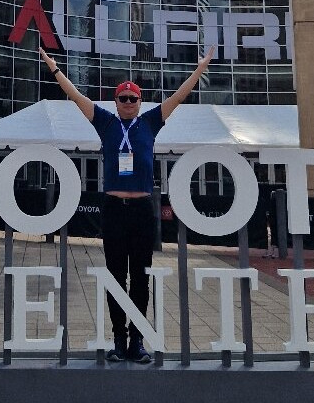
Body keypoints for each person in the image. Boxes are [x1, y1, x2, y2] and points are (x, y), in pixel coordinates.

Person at [39, 45, 216, 363]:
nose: (129, 103)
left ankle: (137, 341)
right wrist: (54, 69)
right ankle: (119, 341)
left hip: (142, 211)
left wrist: (201, 69)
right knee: (116, 276)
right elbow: (76, 96)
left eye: (134, 98)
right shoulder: (106, 122)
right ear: (116, 101)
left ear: (140, 101)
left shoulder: (150, 121)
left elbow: (178, 97)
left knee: (141, 276)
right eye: (123, 98)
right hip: (113, 211)